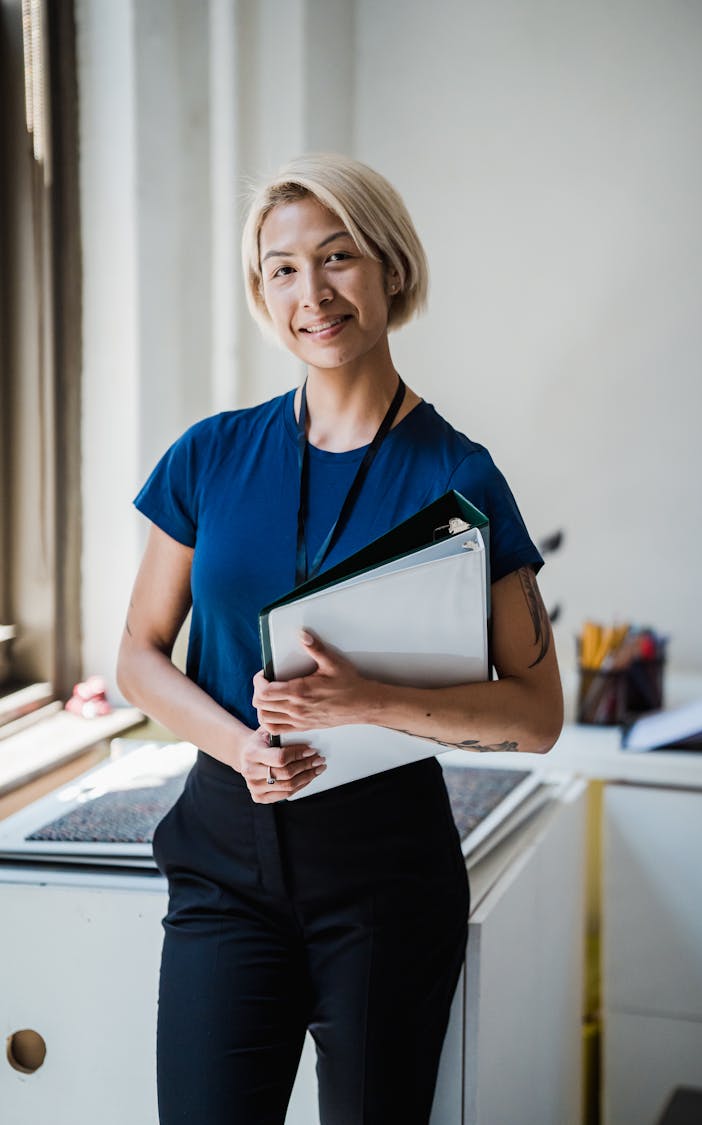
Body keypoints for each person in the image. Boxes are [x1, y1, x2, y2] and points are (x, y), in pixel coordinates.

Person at [117, 152, 564, 1125]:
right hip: (224, 865)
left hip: (384, 889)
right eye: (282, 267)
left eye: (338, 257)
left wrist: (367, 702)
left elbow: (536, 718)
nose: (311, 293)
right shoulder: (208, 455)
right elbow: (139, 656)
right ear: (261, 289)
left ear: (391, 269)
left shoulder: (462, 480)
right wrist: (238, 746)